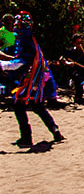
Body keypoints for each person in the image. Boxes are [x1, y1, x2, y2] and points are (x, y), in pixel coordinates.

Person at [0, 12, 63, 147]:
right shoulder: (28, 38)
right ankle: (54, 130)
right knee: (37, 105)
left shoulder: (25, 39)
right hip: (34, 77)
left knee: (19, 105)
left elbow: (23, 60)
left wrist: (4, 65)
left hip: (32, 78)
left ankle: (26, 138)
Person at [60, 32, 84, 102]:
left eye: (81, 42)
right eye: (78, 43)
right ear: (74, 43)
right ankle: (78, 96)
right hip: (76, 71)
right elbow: (62, 59)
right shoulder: (71, 51)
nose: (80, 44)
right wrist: (68, 63)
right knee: (77, 77)